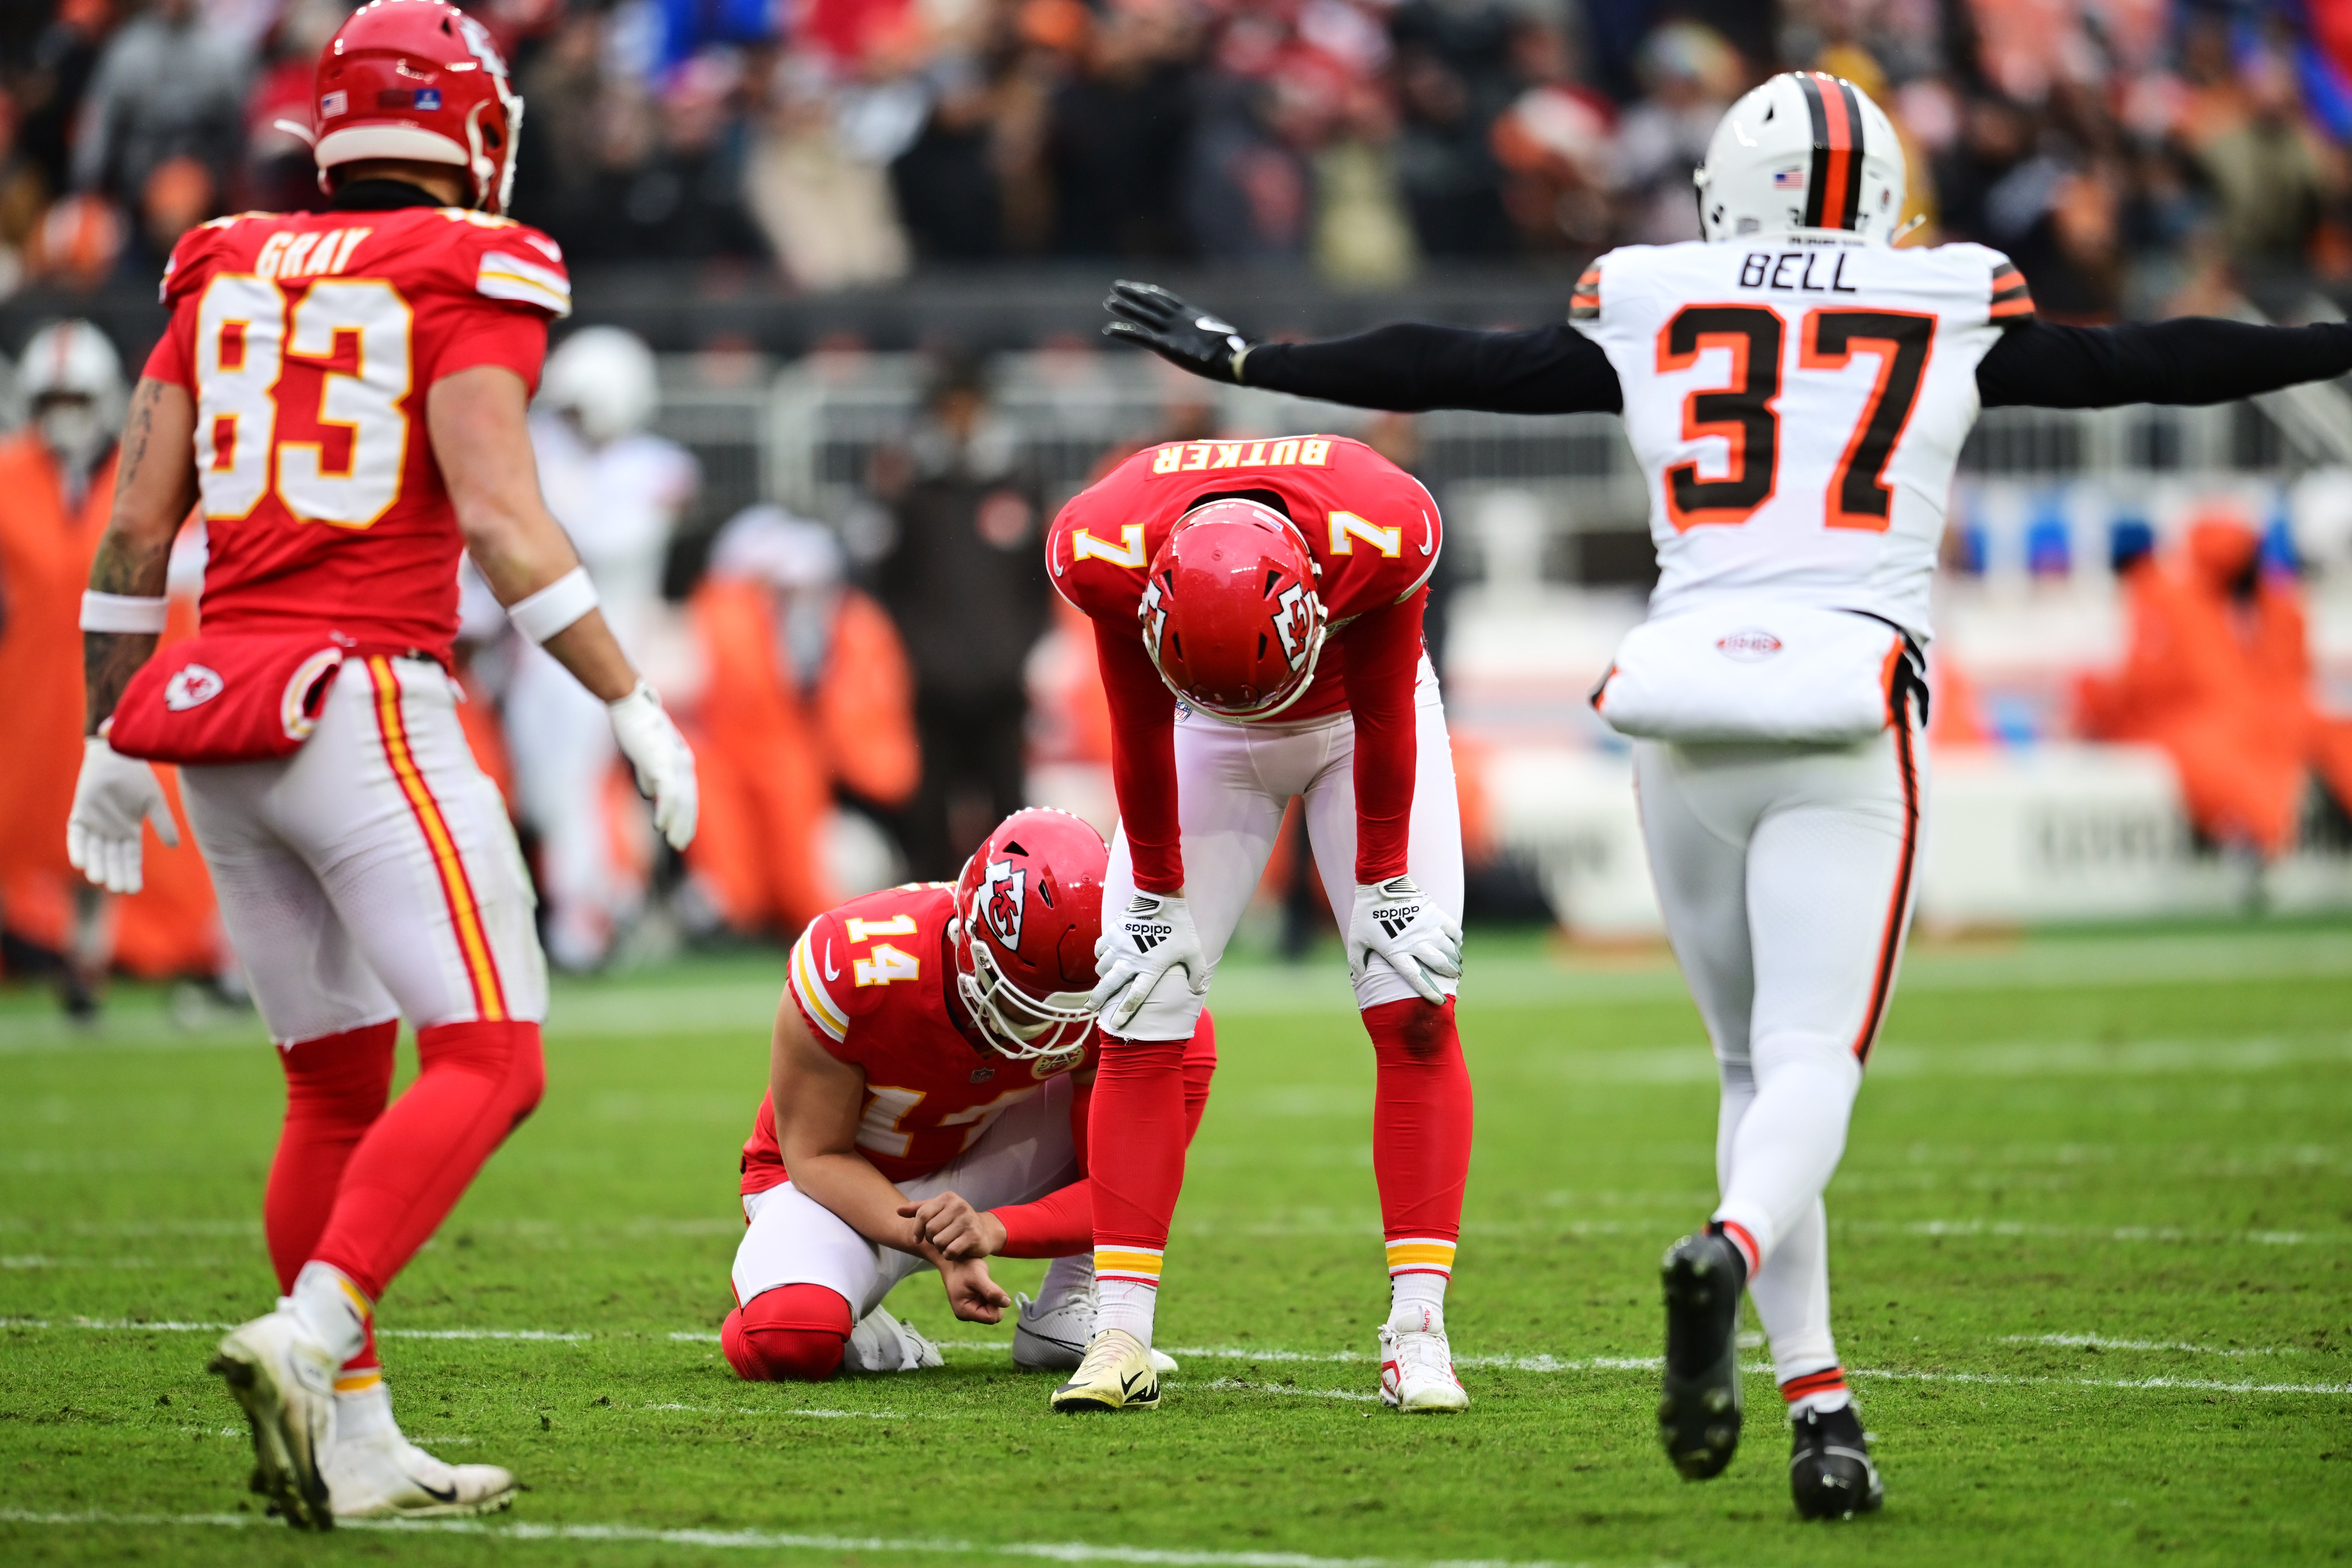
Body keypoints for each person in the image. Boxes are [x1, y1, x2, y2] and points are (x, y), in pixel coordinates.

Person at [1102, 68, 2352, 1516]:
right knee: (1809, 1058)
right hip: (1840, 688)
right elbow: (2142, 360)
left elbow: (1473, 367)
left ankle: (1820, 1414)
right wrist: (2330, 339)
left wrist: (1257, 358)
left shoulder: (1652, 292)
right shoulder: (1946, 294)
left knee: (1749, 1071)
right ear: (1883, 197)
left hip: (1677, 692)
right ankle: (1728, 1248)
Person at [65, 0, 699, 1529]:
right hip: (361, 694)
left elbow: (142, 524)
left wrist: (104, 732)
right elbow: (495, 507)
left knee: (330, 1090)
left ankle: (351, 1441)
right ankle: (315, 1328)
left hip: (215, 713)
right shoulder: (475, 260)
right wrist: (629, 698)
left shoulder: (217, 258)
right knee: (494, 1055)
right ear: (475, 129)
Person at [1043, 439, 1472, 1415]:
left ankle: (1417, 1328)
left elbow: (1384, 711)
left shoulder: (1378, 526)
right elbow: (1137, 720)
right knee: (1139, 1006)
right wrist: (1151, 891)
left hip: (1357, 723)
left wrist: (1382, 881)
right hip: (1198, 736)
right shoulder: (1105, 544)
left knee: (1411, 1005)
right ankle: (1119, 1331)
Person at [725, 808, 1214, 1384]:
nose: (1043, 1031)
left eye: (1064, 1007)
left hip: (982, 1148)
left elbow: (1118, 1185)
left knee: (1175, 1043)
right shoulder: (853, 966)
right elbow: (815, 1155)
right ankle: (834, 1294)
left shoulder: (1092, 993)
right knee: (792, 1335)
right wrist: (940, 1243)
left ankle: (1072, 1299)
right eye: (1017, 1003)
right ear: (972, 946)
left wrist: (991, 1229)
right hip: (831, 1185)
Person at [510, 325, 698, 970]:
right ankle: (591, 910)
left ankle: (590, 921)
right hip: (538, 653)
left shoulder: (651, 465)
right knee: (544, 794)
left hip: (614, 650)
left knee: (588, 792)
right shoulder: (548, 454)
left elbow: (603, 540)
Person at [682, 506, 921, 938]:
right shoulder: (729, 618)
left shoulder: (850, 628)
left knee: (811, 864)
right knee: (739, 866)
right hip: (749, 750)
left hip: (793, 755)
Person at [873, 359, 1053, 880]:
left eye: (967, 406)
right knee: (928, 807)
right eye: (949, 408)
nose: (959, 419)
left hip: (1002, 681)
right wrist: (920, 655)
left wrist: (1020, 650)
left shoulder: (1019, 484)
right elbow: (892, 588)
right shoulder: (914, 493)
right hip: (933, 685)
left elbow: (1038, 582)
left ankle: (1017, 921)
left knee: (1010, 809)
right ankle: (927, 921)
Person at [0, 321, 128, 1015]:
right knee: (20, 819)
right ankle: (35, 948)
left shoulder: (139, 472)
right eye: (52, 402)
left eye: (77, 399)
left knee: (101, 831)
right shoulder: (10, 475)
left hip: (110, 693)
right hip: (21, 692)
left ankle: (90, 962)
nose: (65, 417)